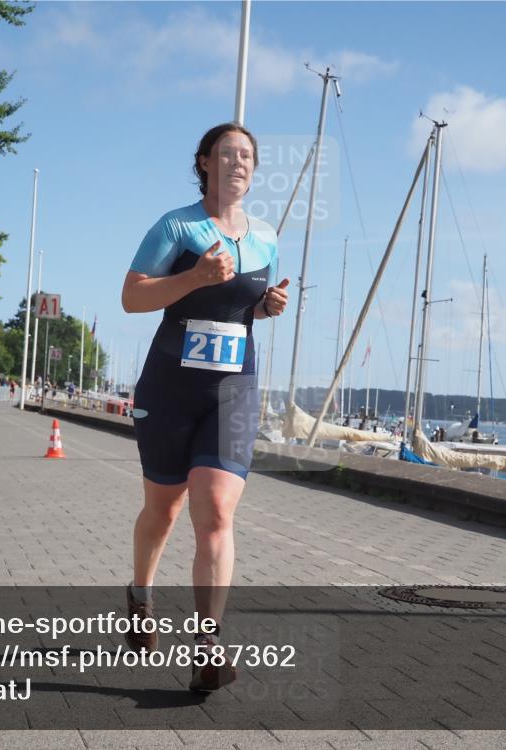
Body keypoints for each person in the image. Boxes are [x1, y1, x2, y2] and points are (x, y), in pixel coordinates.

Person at [121, 123, 288, 692]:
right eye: (227, 154)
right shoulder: (177, 226)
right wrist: (194, 275)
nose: (238, 163)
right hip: (170, 388)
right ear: (205, 162)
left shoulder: (265, 236)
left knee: (216, 513)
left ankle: (208, 647)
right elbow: (132, 297)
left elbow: (238, 312)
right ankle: (140, 595)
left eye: (247, 156)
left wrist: (266, 307)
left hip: (233, 390)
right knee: (163, 513)